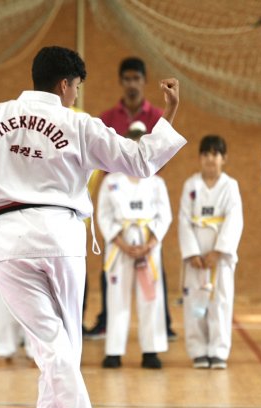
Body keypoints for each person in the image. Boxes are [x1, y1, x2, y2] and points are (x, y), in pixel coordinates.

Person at [0, 46, 186, 408]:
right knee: (61, 347)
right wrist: (169, 113)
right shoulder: (78, 123)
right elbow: (139, 160)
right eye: (76, 86)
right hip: (60, 237)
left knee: (54, 347)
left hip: (8, 240)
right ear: (64, 84)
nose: (75, 94)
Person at [88, 56, 177, 340]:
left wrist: (143, 180)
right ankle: (106, 321)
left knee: (154, 263)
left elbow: (162, 152)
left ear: (144, 81)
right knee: (112, 263)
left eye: (136, 78)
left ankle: (164, 322)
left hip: (146, 193)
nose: (131, 84)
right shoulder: (107, 119)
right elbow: (98, 155)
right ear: (120, 81)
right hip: (117, 196)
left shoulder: (157, 116)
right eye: (126, 79)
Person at [97, 121, 172, 370]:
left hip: (147, 247)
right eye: (132, 146)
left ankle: (151, 350)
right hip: (120, 247)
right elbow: (103, 215)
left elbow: (164, 216)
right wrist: (120, 242)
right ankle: (114, 351)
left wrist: (149, 244)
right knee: (116, 298)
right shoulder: (111, 181)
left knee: (150, 298)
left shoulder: (156, 182)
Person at [179, 135, 243, 369]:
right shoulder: (191, 185)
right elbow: (184, 220)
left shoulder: (230, 186)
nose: (210, 159)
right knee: (194, 301)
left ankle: (218, 350)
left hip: (219, 257)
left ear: (224, 158)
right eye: (205, 154)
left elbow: (234, 220)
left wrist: (219, 252)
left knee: (220, 301)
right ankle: (198, 350)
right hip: (196, 255)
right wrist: (192, 253)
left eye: (215, 154)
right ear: (199, 158)